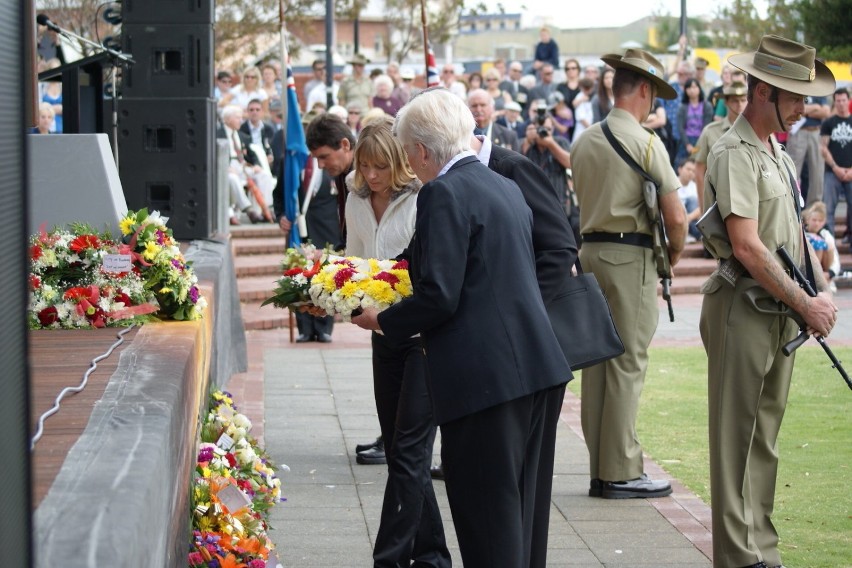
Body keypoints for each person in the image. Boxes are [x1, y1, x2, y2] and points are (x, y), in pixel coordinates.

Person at [352, 88, 571, 567]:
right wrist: (357, 280)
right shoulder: (500, 183)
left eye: (408, 151)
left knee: (485, 518)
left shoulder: (443, 191)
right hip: (532, 370)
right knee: (518, 513)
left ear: (424, 151)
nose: (408, 163)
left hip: (486, 380)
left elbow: (439, 293)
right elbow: (437, 263)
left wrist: (381, 321)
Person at [700, 35, 837, 568]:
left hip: (778, 313)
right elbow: (747, 245)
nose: (804, 108)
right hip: (743, 308)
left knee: (765, 440)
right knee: (736, 439)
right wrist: (808, 303)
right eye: (795, 96)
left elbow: (794, 233)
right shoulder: (734, 150)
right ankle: (737, 556)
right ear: (764, 92)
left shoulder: (775, 150)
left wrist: (819, 289)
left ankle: (762, 547)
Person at [572, 48, 687, 500]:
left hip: (591, 252)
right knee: (628, 362)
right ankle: (620, 470)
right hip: (630, 256)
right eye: (654, 93)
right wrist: (670, 260)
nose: (654, 101)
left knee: (598, 363)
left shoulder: (584, 139)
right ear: (642, 90)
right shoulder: (645, 141)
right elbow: (676, 218)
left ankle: (602, 468)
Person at [342, 118, 451, 567]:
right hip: (381, 331)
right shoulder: (355, 199)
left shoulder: (426, 196)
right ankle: (432, 557)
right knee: (397, 449)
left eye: (381, 166)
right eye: (365, 166)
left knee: (409, 451)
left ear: (400, 162)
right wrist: (331, 294)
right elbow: (352, 260)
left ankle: (391, 558)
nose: (371, 176)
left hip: (421, 334)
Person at [694, 81, 748, 212]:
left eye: (743, 100)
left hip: (747, 201)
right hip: (718, 202)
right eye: (735, 101)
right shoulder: (710, 132)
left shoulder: (757, 132)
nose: (740, 105)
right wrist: (703, 208)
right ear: (727, 102)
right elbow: (699, 170)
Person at [787, 88, 831, 204]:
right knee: (792, 170)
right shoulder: (797, 86)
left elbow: (826, 112)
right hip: (798, 131)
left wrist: (805, 111)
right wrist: (816, 107)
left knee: (817, 172)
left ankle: (814, 208)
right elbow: (792, 109)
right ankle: (791, 203)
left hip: (816, 132)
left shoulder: (817, 88)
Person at [820, 88, 852, 239]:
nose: (840, 104)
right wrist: (835, 167)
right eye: (837, 101)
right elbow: (823, 148)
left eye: (843, 100)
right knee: (829, 209)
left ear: (848, 100)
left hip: (851, 172)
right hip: (832, 172)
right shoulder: (828, 123)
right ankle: (830, 244)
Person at [523, 112, 572, 206]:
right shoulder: (529, 144)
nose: (544, 132)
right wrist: (528, 141)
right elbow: (520, 161)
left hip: (557, 200)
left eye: (548, 129)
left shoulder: (560, 142)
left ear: (553, 129)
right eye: (540, 129)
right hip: (533, 200)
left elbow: (570, 163)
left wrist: (551, 144)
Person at [676, 77, 714, 161]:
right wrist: (687, 145)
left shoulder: (707, 106)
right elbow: (680, 127)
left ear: (699, 89)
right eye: (689, 87)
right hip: (686, 140)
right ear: (685, 90)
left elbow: (706, 127)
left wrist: (699, 145)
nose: (692, 90)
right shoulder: (682, 107)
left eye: (694, 87)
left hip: (702, 140)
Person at [676, 157, 702, 242]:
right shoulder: (672, 184)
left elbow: (701, 207)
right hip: (676, 218)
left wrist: (688, 218)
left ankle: (698, 235)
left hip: (689, 221)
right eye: (688, 169)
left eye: (693, 171)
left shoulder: (695, 187)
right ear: (680, 169)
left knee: (694, 201)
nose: (691, 172)